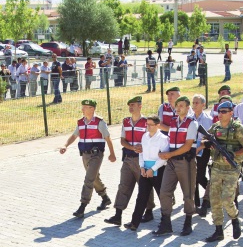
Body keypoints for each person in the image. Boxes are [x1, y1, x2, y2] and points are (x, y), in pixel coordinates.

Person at [104, 96, 156, 226]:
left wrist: (143, 148)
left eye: (133, 105)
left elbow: (152, 139)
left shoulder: (146, 122)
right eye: (129, 105)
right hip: (128, 158)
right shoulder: (126, 121)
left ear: (140, 106)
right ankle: (118, 215)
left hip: (143, 160)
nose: (131, 107)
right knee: (123, 185)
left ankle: (149, 211)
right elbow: (122, 140)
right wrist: (132, 147)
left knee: (145, 186)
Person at [59, 99, 116, 218]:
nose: (82, 109)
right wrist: (65, 145)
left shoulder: (100, 122)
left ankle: (82, 206)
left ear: (92, 109)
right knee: (94, 178)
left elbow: (108, 138)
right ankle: (105, 198)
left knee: (88, 179)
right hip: (84, 154)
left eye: (85, 107)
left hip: (96, 154)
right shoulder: (81, 122)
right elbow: (74, 136)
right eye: (82, 107)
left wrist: (112, 153)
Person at [203, 101, 243, 242]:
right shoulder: (215, 127)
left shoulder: (238, 128)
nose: (221, 114)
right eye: (219, 111)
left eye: (224, 111)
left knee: (227, 199)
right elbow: (204, 139)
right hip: (217, 168)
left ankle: (235, 218)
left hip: (231, 169)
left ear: (231, 113)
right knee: (215, 200)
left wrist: (234, 154)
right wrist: (206, 143)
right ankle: (218, 230)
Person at [154, 96, 198, 236]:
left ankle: (188, 222)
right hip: (171, 162)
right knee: (164, 192)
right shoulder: (173, 122)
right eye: (177, 105)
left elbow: (187, 146)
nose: (178, 108)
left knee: (188, 194)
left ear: (188, 108)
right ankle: (166, 222)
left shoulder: (192, 123)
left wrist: (169, 155)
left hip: (186, 162)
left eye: (182, 106)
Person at [124, 115, 169, 231]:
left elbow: (163, 158)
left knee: (162, 197)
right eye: (147, 124)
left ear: (158, 125)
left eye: (150, 124)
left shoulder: (163, 139)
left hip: (158, 170)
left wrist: (152, 169)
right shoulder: (145, 136)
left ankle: (165, 224)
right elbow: (141, 153)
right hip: (145, 171)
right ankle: (134, 223)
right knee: (141, 197)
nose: (148, 126)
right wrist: (142, 167)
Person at [191, 94, 214, 216]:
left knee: (200, 176)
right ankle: (196, 204)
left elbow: (208, 137)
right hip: (192, 149)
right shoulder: (190, 118)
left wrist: (199, 147)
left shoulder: (207, 119)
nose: (194, 105)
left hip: (203, 150)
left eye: (197, 103)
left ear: (203, 105)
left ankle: (211, 194)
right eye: (193, 103)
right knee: (193, 178)